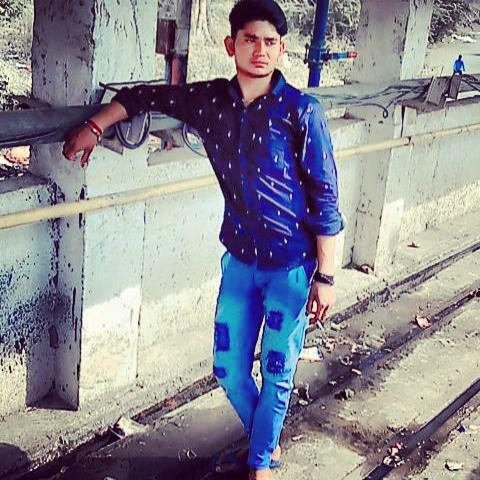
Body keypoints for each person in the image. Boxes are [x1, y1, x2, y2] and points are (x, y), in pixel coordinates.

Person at [62, 1, 343, 478]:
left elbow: (326, 199)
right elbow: (142, 97)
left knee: (277, 371)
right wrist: (95, 126)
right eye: (250, 40)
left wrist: (327, 277)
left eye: (270, 42)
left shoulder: (302, 111)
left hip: (291, 269)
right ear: (231, 45)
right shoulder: (210, 101)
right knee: (228, 368)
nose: (260, 50)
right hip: (239, 262)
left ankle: (260, 464)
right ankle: (266, 445)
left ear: (282, 50)